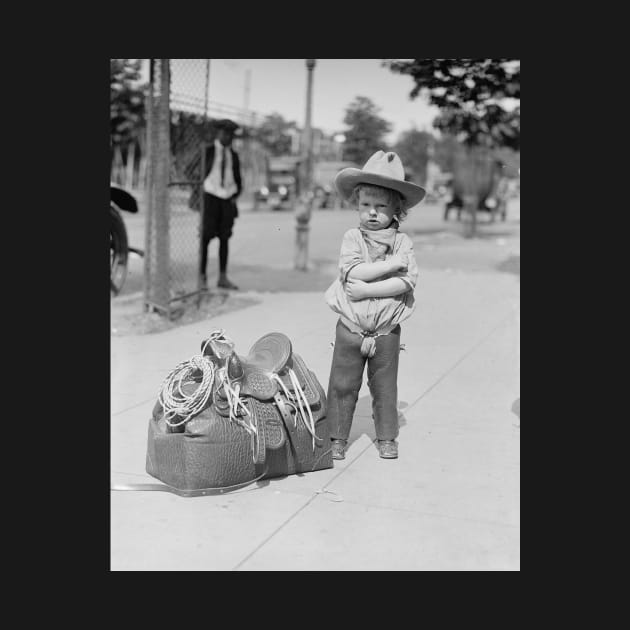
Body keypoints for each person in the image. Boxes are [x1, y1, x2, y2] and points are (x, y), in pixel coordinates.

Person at [324, 150, 425, 460]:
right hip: (351, 327)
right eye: (365, 204)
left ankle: (386, 437)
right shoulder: (353, 237)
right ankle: (335, 436)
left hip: (385, 331)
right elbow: (353, 272)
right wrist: (388, 267)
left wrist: (365, 291)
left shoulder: (402, 243)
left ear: (397, 209)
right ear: (357, 205)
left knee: (384, 387)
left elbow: (405, 282)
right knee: (342, 383)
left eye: (381, 206)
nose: (371, 212)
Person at [199, 118, 242, 290]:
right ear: (219, 134)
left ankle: (222, 277)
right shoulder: (208, 151)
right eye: (226, 134)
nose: (229, 138)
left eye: (231, 135)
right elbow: (193, 171)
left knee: (225, 239)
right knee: (205, 238)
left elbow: (238, 178)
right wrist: (200, 190)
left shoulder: (233, 155)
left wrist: (235, 193)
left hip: (227, 199)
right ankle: (201, 277)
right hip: (210, 197)